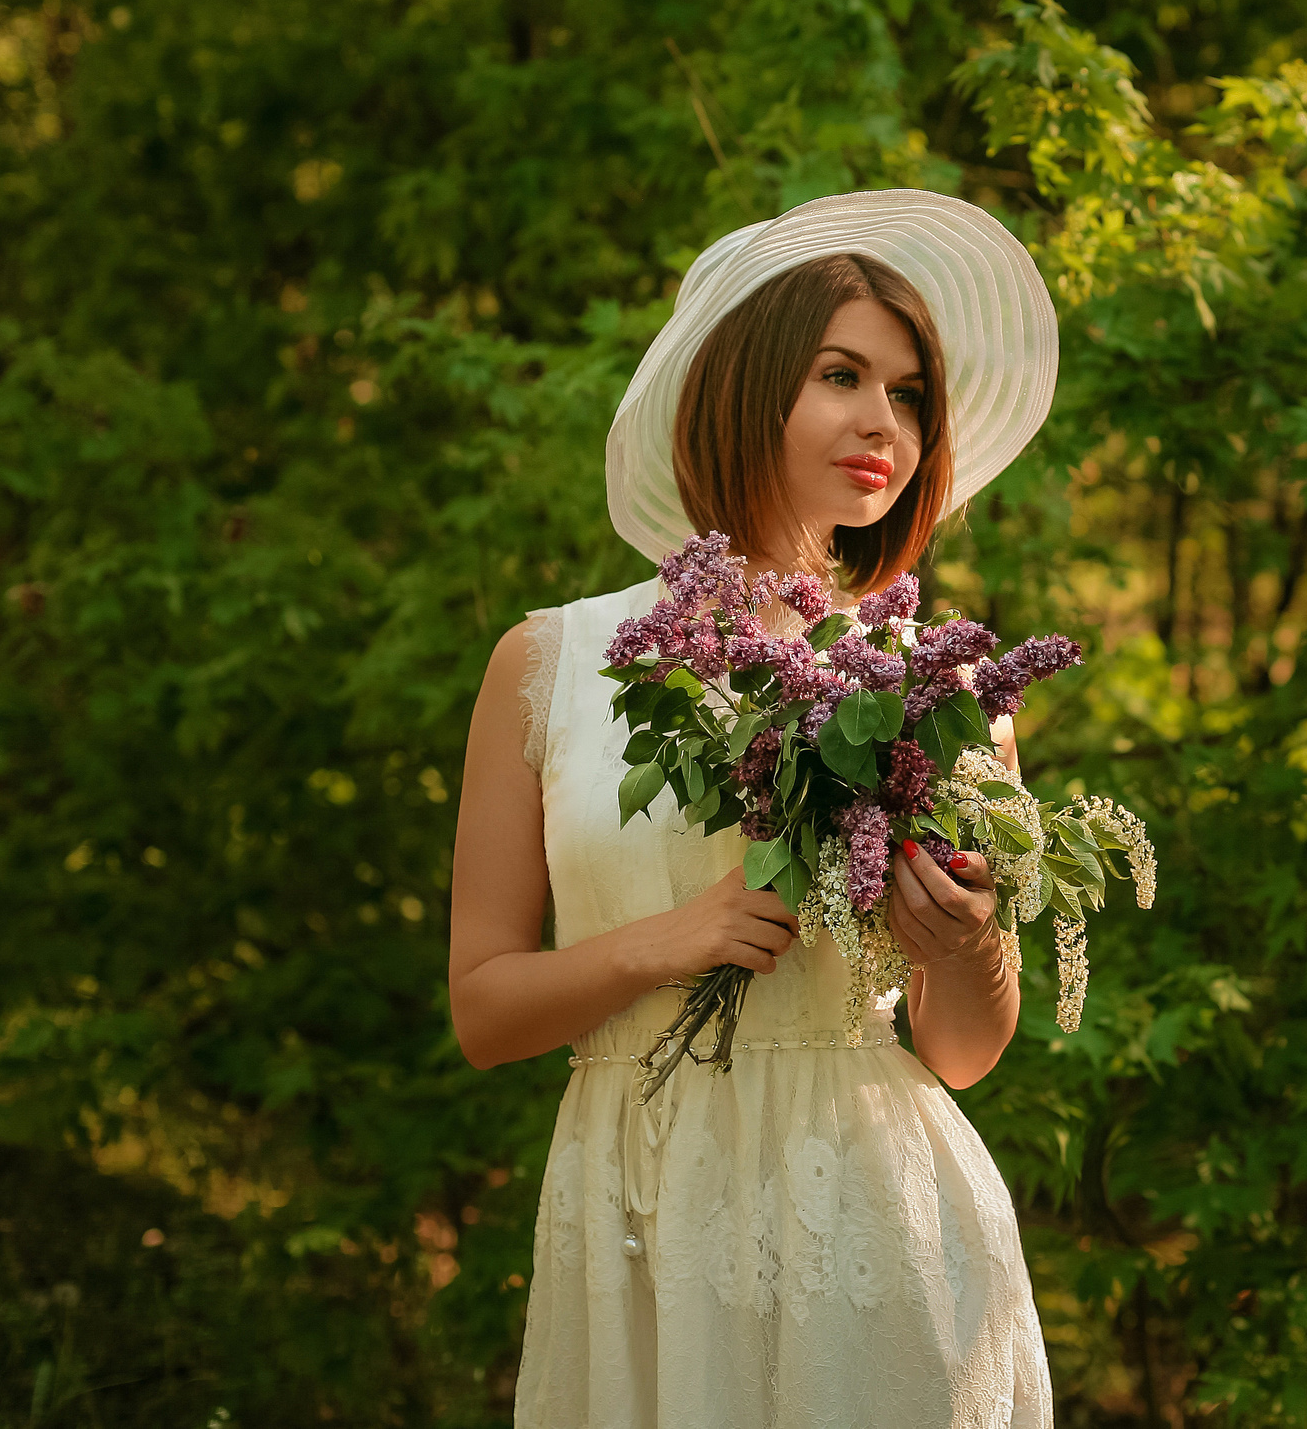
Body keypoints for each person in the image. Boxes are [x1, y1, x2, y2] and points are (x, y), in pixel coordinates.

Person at [446, 191, 1061, 1427]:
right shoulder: (552, 665)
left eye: (909, 394)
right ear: (741, 385)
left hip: (874, 1222)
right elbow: (483, 1012)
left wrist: (970, 936)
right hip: (638, 1216)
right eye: (841, 374)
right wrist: (654, 946)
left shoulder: (938, 685)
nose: (882, 422)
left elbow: (961, 1052)